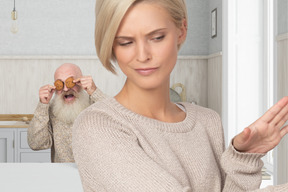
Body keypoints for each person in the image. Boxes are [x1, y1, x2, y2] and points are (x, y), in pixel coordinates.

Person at [72, 0, 288, 191]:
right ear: (111, 45)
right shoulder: (96, 127)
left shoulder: (207, 121)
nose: (142, 55)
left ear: (182, 30)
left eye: (156, 37)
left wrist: (242, 160)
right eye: (126, 42)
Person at [28, 63, 106, 163]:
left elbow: (118, 123)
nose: (65, 89)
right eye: (60, 84)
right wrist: (42, 105)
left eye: (70, 82)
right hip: (61, 174)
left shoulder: (97, 105)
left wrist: (95, 92)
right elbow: (36, 143)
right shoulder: (51, 110)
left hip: (94, 175)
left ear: (81, 82)